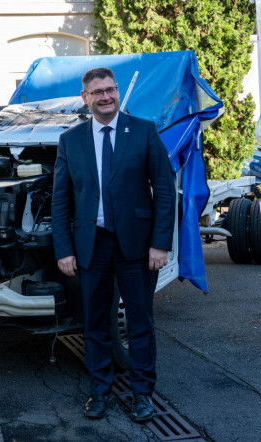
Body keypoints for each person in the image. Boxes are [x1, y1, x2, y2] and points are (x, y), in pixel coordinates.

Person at [51, 67, 175, 423]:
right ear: (85, 98)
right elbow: (61, 200)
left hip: (137, 245)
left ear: (117, 91)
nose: (105, 97)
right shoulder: (70, 140)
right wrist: (64, 249)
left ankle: (142, 393)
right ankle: (99, 392)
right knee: (94, 323)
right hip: (92, 246)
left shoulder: (144, 130)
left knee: (140, 321)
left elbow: (164, 190)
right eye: (97, 92)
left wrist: (160, 244)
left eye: (110, 90)